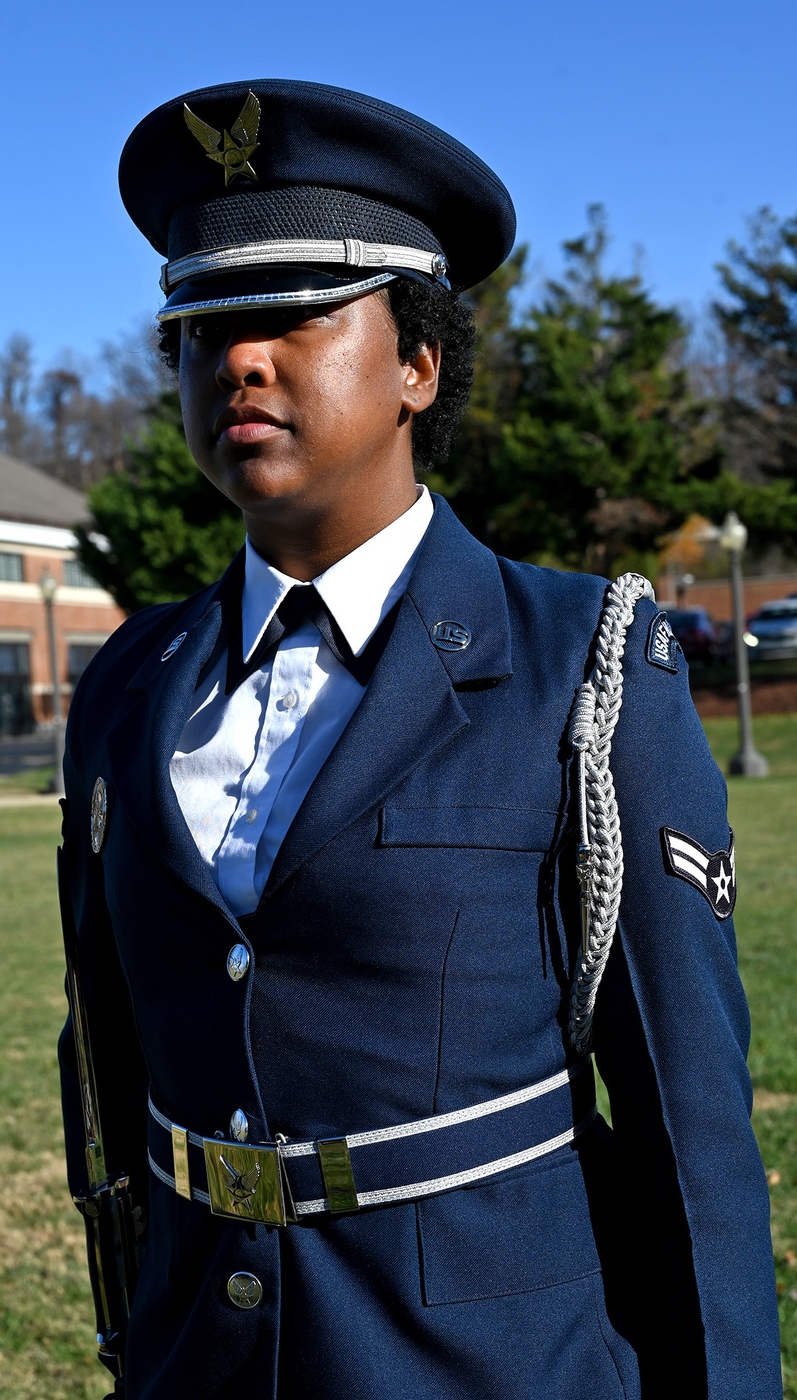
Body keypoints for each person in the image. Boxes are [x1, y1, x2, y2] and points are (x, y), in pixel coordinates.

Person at [58, 79, 781, 1399]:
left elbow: (691, 1140)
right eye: (201, 324)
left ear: (419, 363)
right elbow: (105, 1071)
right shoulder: (128, 685)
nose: (239, 359)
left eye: (290, 314)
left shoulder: (584, 664)